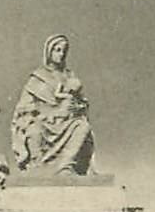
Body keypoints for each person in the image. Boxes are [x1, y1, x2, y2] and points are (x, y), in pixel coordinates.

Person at [10, 34, 95, 175]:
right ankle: (37, 167)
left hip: (67, 122)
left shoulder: (69, 76)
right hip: (44, 122)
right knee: (34, 130)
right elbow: (23, 108)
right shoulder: (37, 78)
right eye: (57, 50)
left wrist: (77, 107)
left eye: (63, 51)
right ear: (49, 52)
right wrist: (42, 113)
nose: (61, 54)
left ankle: (66, 166)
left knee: (83, 127)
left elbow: (82, 102)